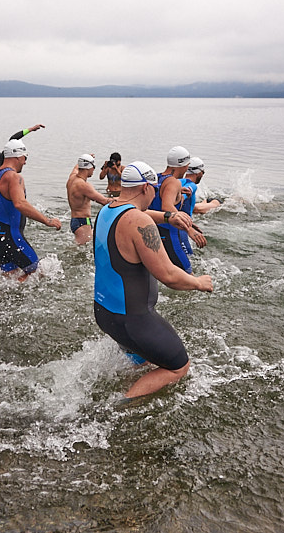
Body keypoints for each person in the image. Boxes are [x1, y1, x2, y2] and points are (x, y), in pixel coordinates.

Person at [93, 161, 213, 399]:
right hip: (133, 318)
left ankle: (127, 389)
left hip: (105, 312)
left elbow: (138, 214)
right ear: (146, 188)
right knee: (178, 366)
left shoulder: (108, 209)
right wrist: (199, 282)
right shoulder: (140, 222)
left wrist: (169, 217)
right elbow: (168, 275)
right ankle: (119, 409)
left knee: (144, 363)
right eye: (155, 190)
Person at [0, 138, 61, 281]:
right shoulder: (14, 177)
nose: (25, 162)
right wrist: (48, 221)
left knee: (10, 279)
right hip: (12, 237)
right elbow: (20, 204)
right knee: (37, 273)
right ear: (18, 156)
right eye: (25, 158)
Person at [149, 146, 204, 273]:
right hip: (170, 234)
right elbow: (166, 207)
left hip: (155, 232)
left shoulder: (157, 178)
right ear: (184, 165)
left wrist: (177, 192)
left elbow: (158, 196)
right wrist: (188, 229)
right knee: (187, 274)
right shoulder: (173, 182)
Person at [176, 156, 220, 258]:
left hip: (174, 226)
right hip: (179, 230)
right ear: (198, 172)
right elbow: (185, 195)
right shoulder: (190, 186)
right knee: (187, 265)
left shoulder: (176, 182)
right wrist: (188, 229)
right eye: (203, 172)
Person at [66, 154, 111, 245]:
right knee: (82, 252)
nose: (94, 170)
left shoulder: (72, 178)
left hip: (75, 220)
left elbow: (76, 167)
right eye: (94, 167)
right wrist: (125, 200)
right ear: (89, 167)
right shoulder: (84, 186)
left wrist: (86, 157)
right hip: (83, 222)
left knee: (85, 246)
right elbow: (104, 201)